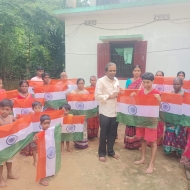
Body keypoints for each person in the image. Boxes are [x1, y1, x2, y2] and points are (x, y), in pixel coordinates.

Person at [131, 72, 161, 174]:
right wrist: (134, 96)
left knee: (153, 142)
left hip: (151, 120)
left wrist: (159, 100)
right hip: (142, 119)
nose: (146, 84)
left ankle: (151, 164)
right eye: (144, 82)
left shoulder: (156, 92)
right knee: (143, 140)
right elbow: (137, 104)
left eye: (148, 82)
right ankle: (143, 159)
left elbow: (161, 108)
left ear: (153, 81)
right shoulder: (141, 92)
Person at [95, 62, 120, 162]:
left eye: (114, 70)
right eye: (110, 70)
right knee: (104, 133)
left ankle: (111, 151)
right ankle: (102, 153)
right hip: (105, 112)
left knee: (113, 133)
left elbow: (117, 92)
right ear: (106, 71)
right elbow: (97, 96)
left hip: (115, 111)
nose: (113, 72)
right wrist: (110, 96)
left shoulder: (117, 80)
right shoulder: (100, 81)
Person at [163, 78, 186, 157]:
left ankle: (179, 152)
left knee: (179, 135)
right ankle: (170, 150)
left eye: (178, 84)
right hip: (171, 118)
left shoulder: (185, 94)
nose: (176, 86)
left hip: (180, 119)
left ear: (182, 84)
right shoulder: (170, 93)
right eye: (174, 84)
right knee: (170, 133)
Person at [0, 99, 18, 188]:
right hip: (1, 145)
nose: (4, 111)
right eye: (3, 109)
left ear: (10, 110)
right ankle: (0, 179)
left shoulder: (11, 117)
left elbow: (19, 122)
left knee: (10, 159)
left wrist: (28, 116)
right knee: (1, 162)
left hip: (10, 143)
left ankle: (10, 173)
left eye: (7, 109)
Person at [124, 65, 142, 149]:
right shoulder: (128, 81)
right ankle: (128, 143)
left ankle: (137, 143)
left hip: (139, 105)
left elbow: (143, 93)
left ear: (141, 72)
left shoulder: (142, 82)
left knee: (137, 124)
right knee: (130, 122)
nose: (137, 72)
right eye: (135, 70)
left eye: (138, 70)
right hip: (130, 104)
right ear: (132, 72)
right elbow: (126, 93)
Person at [70, 78, 89, 149]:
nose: (81, 85)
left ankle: (83, 143)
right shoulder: (73, 92)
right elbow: (71, 103)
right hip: (76, 113)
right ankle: (77, 142)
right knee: (77, 127)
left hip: (83, 113)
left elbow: (88, 103)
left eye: (82, 83)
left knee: (83, 127)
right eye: (79, 83)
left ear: (84, 84)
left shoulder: (86, 92)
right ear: (77, 84)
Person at [34, 114, 51, 186]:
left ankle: (45, 175)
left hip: (48, 151)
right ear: (41, 124)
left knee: (47, 164)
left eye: (48, 123)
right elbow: (34, 140)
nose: (46, 125)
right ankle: (42, 179)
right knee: (42, 165)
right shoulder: (40, 133)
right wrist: (35, 138)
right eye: (44, 123)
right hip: (42, 152)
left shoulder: (49, 130)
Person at [154, 71, 165, 146]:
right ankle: (151, 141)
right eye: (157, 75)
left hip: (162, 107)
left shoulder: (166, 85)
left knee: (160, 124)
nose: (158, 76)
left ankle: (159, 141)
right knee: (154, 124)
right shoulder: (153, 84)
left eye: (160, 75)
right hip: (153, 107)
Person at [31, 101, 43, 166]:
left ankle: (41, 160)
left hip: (41, 135)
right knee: (34, 148)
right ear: (33, 109)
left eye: (39, 107)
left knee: (41, 148)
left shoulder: (43, 116)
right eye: (36, 108)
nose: (37, 109)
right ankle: (35, 161)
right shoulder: (31, 116)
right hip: (34, 135)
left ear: (41, 108)